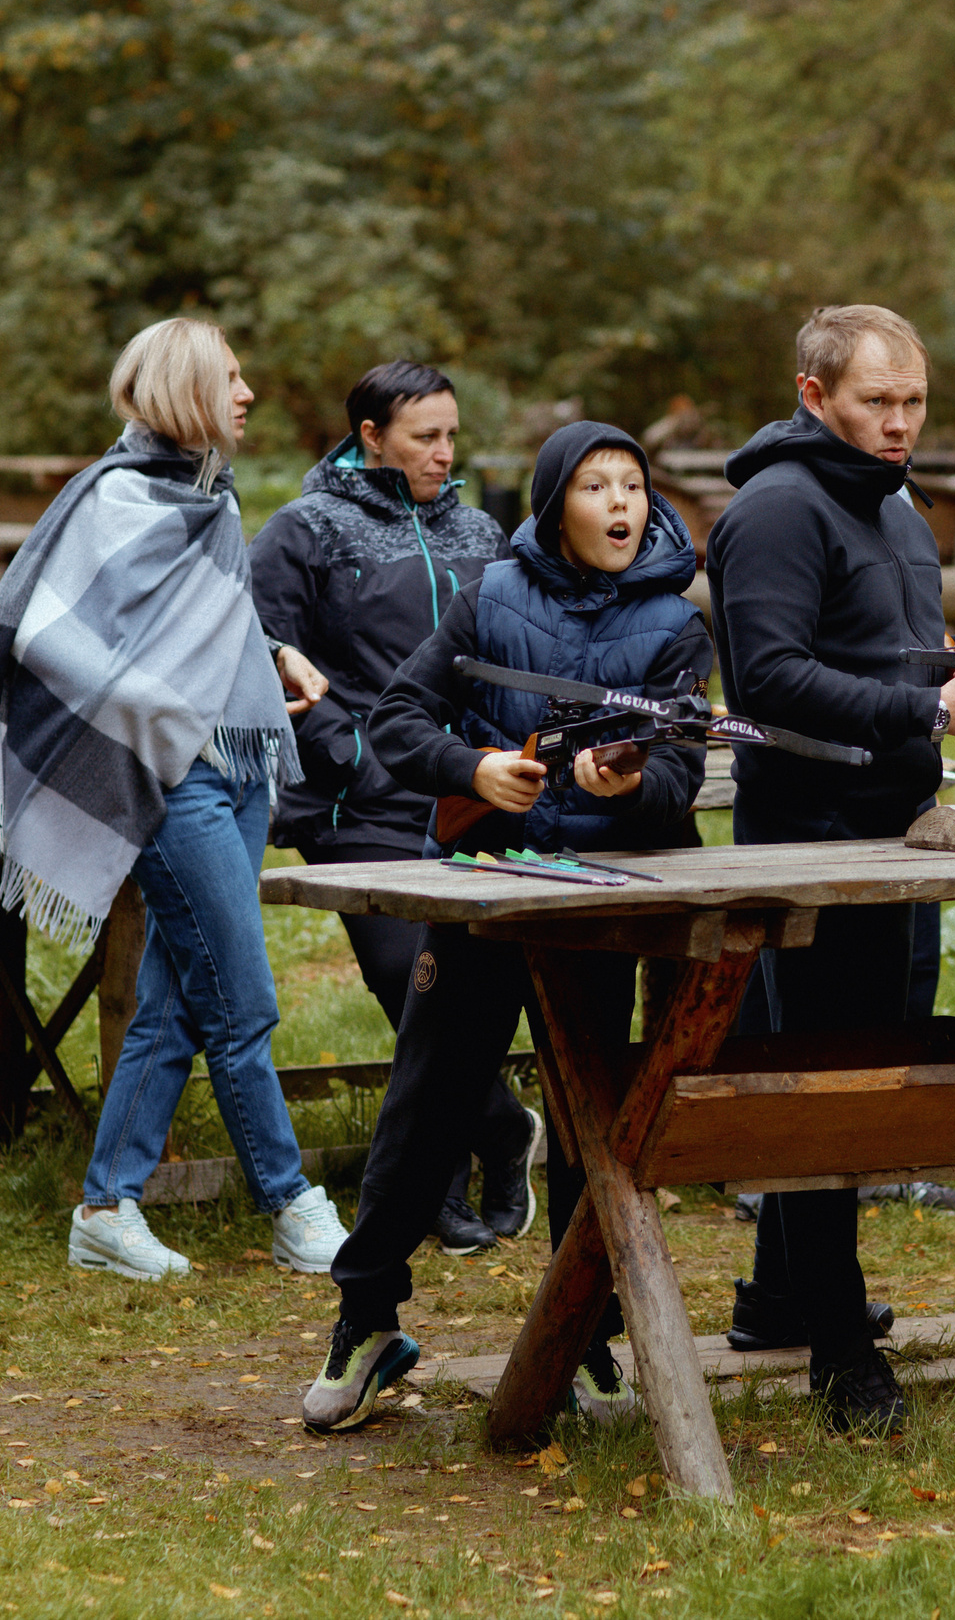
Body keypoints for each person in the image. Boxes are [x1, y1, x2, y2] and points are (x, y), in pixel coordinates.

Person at [303, 420, 709, 1433]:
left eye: (635, 487)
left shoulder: (673, 625)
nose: (622, 505)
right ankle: (367, 1322)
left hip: (600, 905)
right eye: (597, 486)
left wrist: (624, 784)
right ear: (553, 504)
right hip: (484, 887)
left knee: (590, 1125)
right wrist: (473, 771)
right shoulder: (491, 598)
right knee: (426, 1105)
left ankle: (590, 1333)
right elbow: (396, 722)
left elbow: (681, 770)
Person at [705, 305, 955, 1433]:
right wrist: (925, 703)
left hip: (902, 829)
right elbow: (768, 683)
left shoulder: (893, 508)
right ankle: (840, 1350)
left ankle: (777, 1298)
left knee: (861, 1072)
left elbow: (890, 656)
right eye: (876, 403)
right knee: (827, 1097)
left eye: (914, 403)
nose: (899, 424)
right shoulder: (774, 510)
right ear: (813, 396)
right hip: (808, 839)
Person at [0, 317, 350, 1282]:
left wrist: (268, 652)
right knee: (244, 1001)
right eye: (231, 376)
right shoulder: (115, 499)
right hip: (174, 778)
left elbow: (198, 625)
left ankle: (106, 1204)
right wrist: (160, 717)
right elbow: (53, 638)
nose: (249, 391)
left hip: (241, 760)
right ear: (185, 388)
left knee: (180, 1001)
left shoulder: (207, 498)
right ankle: (292, 1201)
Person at [247, 361, 541, 1253]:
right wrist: (354, 752)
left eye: (452, 435)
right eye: (424, 437)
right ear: (371, 436)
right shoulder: (304, 530)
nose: (443, 453)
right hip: (357, 803)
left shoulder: (483, 530)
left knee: (448, 991)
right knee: (405, 980)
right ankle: (495, 1128)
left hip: (469, 792)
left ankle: (443, 1182)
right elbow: (261, 643)